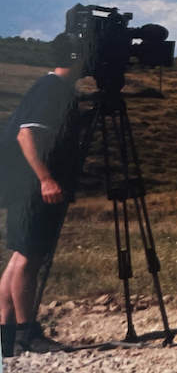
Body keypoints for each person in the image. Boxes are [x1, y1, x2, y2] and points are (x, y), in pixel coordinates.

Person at [0, 33, 82, 358]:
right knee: (28, 260)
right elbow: (26, 134)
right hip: (33, 186)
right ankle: (27, 333)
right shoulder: (53, 89)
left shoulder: (48, 86)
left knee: (19, 258)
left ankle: (8, 335)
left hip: (23, 184)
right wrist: (46, 179)